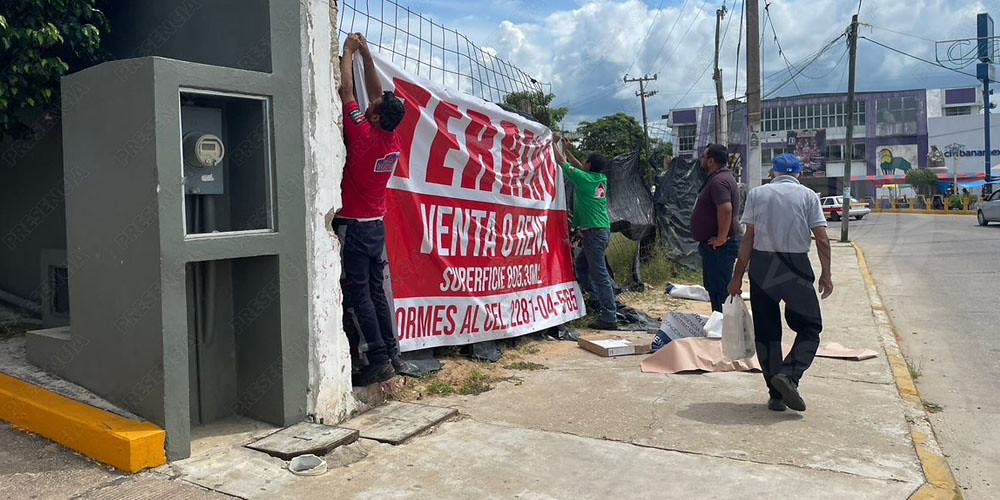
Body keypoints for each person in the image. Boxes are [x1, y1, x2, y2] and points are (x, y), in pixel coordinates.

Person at [727, 154, 834, 412]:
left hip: (764, 266)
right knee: (810, 326)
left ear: (772, 172)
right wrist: (826, 274)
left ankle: (776, 395)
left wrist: (737, 277)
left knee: (768, 332)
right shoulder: (808, 196)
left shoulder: (758, 194)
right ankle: (790, 374)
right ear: (798, 174)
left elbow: (748, 238)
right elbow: (821, 238)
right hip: (795, 265)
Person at [335, 33, 409, 386]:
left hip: (354, 227)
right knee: (377, 291)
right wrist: (367, 54)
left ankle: (376, 358)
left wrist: (348, 53)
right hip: (375, 225)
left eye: (375, 105)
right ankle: (391, 351)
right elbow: (375, 95)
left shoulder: (363, 135)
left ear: (376, 118)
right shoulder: (391, 138)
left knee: (358, 292)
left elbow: (347, 92)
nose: (372, 101)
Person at [553, 136, 618, 330]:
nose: (583, 165)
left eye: (586, 162)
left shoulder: (584, 180)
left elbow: (560, 162)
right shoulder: (599, 179)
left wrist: (552, 143)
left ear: (589, 165)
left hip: (594, 234)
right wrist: (568, 149)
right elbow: (578, 166)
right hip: (601, 230)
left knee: (600, 275)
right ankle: (597, 301)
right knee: (581, 268)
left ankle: (609, 316)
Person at [691, 144, 741, 313]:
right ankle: (720, 324)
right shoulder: (719, 178)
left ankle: (724, 328)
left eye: (704, 157)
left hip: (720, 247)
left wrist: (721, 238)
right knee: (715, 289)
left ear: (711, 161)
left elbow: (726, 209)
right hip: (715, 246)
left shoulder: (719, 181)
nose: (702, 160)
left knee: (721, 290)